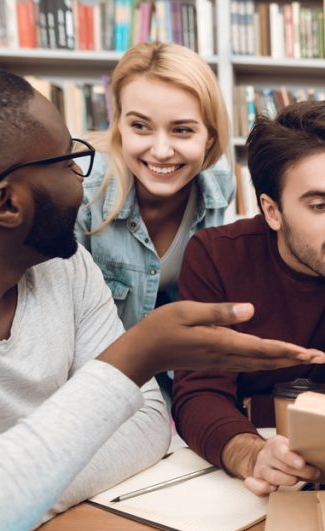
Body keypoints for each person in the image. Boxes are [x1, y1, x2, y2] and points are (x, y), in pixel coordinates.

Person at [0, 67, 323, 531]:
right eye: (67, 159)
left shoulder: (64, 267)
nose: (84, 173)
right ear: (6, 205)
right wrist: (135, 354)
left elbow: (148, 419)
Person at [171, 101, 325, 495]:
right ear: (272, 211)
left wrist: (251, 404)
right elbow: (199, 394)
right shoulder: (214, 255)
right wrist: (251, 454)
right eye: (321, 205)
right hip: (245, 475)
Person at [75, 42, 235, 330]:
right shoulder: (82, 192)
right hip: (104, 362)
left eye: (182, 130)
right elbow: (70, 322)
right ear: (119, 125)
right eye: (140, 126)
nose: (161, 151)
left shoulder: (220, 181)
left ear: (209, 136)